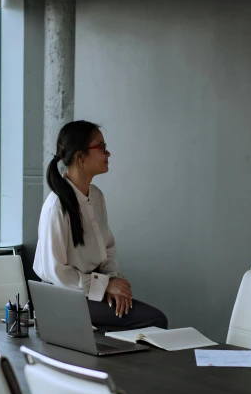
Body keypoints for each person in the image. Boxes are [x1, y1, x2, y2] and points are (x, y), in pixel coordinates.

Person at [33, 120, 168, 330]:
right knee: (154, 321)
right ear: (80, 157)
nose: (108, 154)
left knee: (149, 321)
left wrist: (113, 282)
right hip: (65, 298)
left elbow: (107, 249)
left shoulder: (96, 196)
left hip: (91, 292)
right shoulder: (56, 207)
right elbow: (57, 273)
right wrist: (105, 286)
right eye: (101, 147)